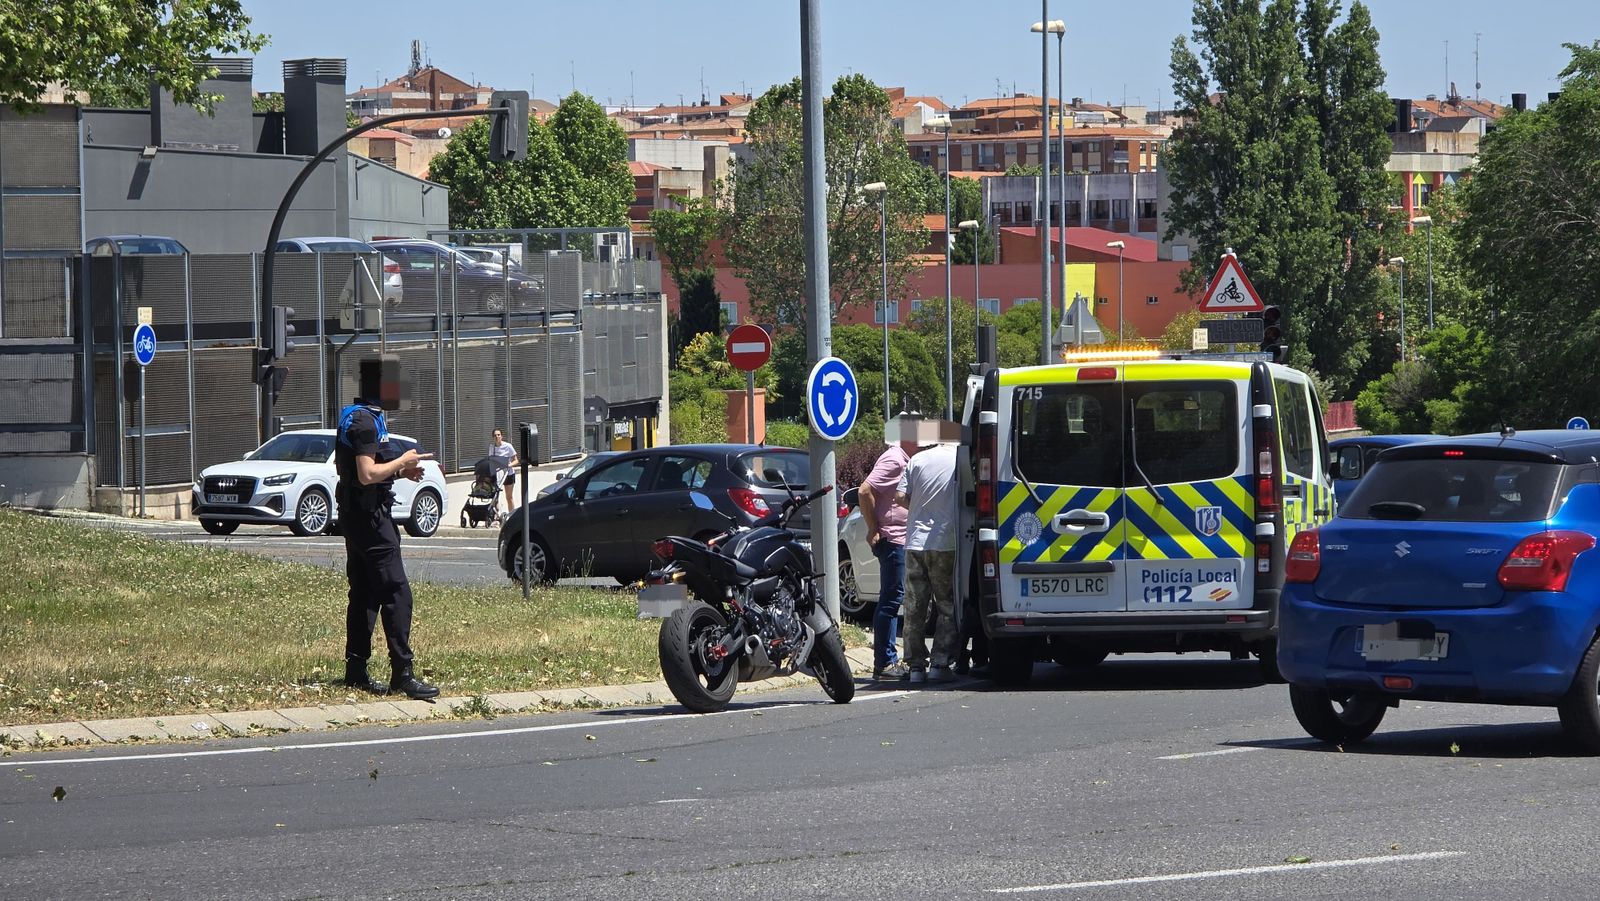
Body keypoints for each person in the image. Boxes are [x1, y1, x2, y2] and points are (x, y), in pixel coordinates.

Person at [336, 362, 440, 700]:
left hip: (357, 515)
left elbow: (366, 472)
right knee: (396, 591)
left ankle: (356, 670)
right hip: (370, 519)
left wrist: (399, 473)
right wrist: (401, 462)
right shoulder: (365, 422)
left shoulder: (358, 415)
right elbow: (367, 474)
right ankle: (403, 673)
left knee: (364, 592)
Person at [897, 438, 961, 684]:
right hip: (946, 542)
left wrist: (921, 509)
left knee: (914, 607)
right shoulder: (959, 460)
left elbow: (900, 496)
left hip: (915, 543)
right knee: (946, 605)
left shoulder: (917, 460)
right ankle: (940, 662)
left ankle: (915, 667)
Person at [859, 427, 920, 682]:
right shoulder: (894, 459)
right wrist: (873, 527)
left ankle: (889, 660)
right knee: (891, 600)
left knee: (895, 600)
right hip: (892, 540)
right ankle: (884, 663)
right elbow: (864, 491)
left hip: (900, 540)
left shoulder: (905, 460)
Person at [489, 428, 519, 520]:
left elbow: (516, 460)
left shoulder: (508, 446)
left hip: (508, 474)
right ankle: (496, 517)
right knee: (495, 496)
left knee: (509, 497)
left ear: (501, 436)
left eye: (498, 435)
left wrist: (509, 465)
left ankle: (512, 516)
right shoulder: (492, 447)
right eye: (495, 435)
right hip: (497, 474)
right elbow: (490, 460)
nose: (497, 437)